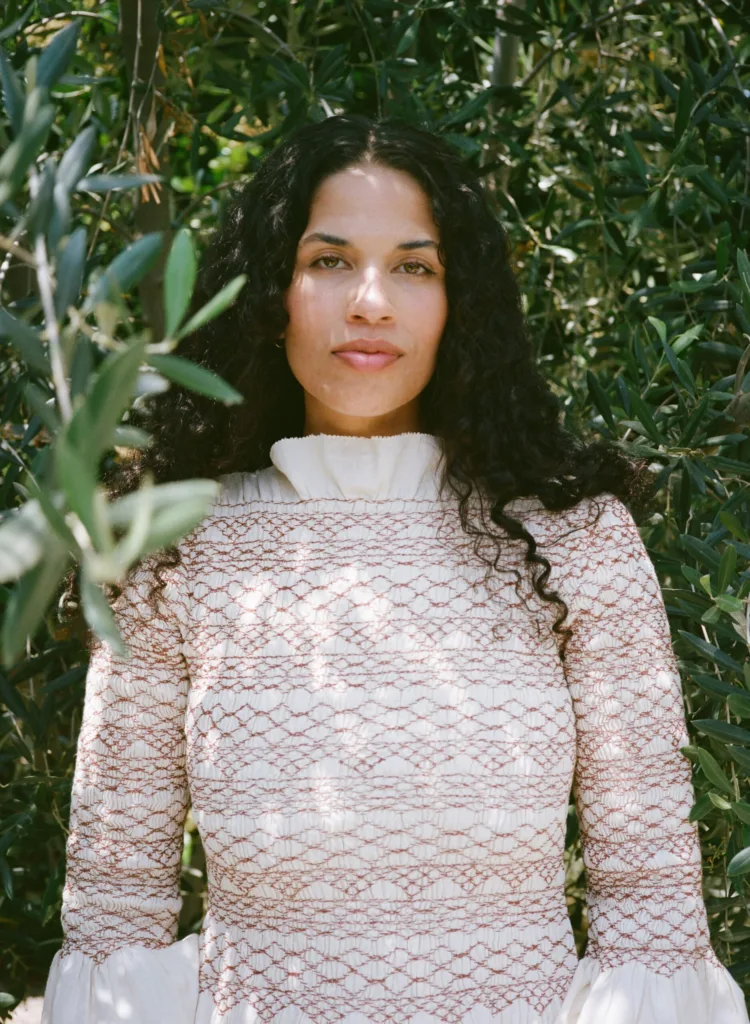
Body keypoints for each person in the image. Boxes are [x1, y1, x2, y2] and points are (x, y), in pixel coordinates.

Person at [42, 114, 749, 1024]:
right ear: (271, 291)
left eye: (414, 266)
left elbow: (650, 912)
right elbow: (113, 914)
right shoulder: (173, 545)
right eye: (329, 260)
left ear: (462, 302)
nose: (369, 301)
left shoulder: (577, 543)